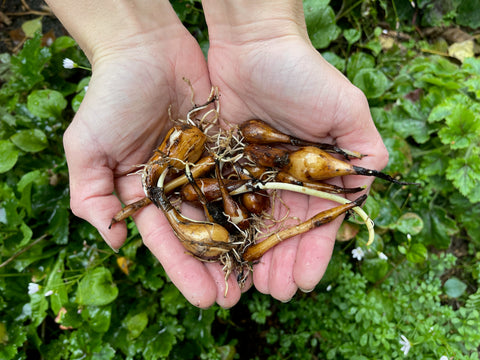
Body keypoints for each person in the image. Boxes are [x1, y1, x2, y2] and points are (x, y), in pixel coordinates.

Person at [45, 0, 388, 308]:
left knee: (255, 192)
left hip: (220, 168)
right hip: (205, 174)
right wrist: (129, 46)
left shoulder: (210, 168)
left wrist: (260, 35)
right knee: (229, 196)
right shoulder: (189, 174)